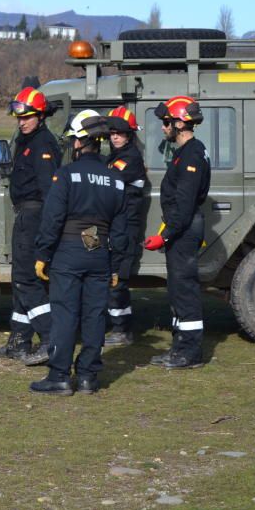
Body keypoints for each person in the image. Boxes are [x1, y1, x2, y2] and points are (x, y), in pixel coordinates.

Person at [29, 111, 128, 396]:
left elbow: (53, 219)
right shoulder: (116, 180)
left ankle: (60, 376)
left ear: (78, 143)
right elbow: (120, 230)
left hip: (69, 251)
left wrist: (42, 254)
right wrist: (115, 267)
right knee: (95, 315)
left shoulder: (66, 175)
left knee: (65, 315)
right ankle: (87, 378)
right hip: (99, 252)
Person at [143, 96, 210, 369]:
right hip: (181, 229)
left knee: (184, 291)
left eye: (167, 122)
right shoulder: (186, 152)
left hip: (183, 230)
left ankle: (189, 353)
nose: (163, 127)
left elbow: (183, 204)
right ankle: (179, 348)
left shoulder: (192, 154)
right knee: (177, 290)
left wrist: (165, 235)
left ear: (181, 123)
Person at [0, 87, 61, 365]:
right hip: (24, 215)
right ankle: (20, 340)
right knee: (19, 280)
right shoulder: (25, 141)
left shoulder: (43, 144)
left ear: (40, 116)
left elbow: (49, 193)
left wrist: (46, 235)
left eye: (28, 117)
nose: (22, 122)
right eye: (19, 118)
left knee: (28, 280)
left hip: (34, 217)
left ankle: (50, 340)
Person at [104, 106, 148, 346]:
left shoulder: (129, 159)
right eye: (112, 133)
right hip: (116, 226)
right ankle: (117, 326)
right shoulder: (114, 157)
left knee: (117, 279)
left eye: (120, 133)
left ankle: (122, 330)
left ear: (129, 135)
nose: (115, 136)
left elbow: (108, 181)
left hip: (124, 228)